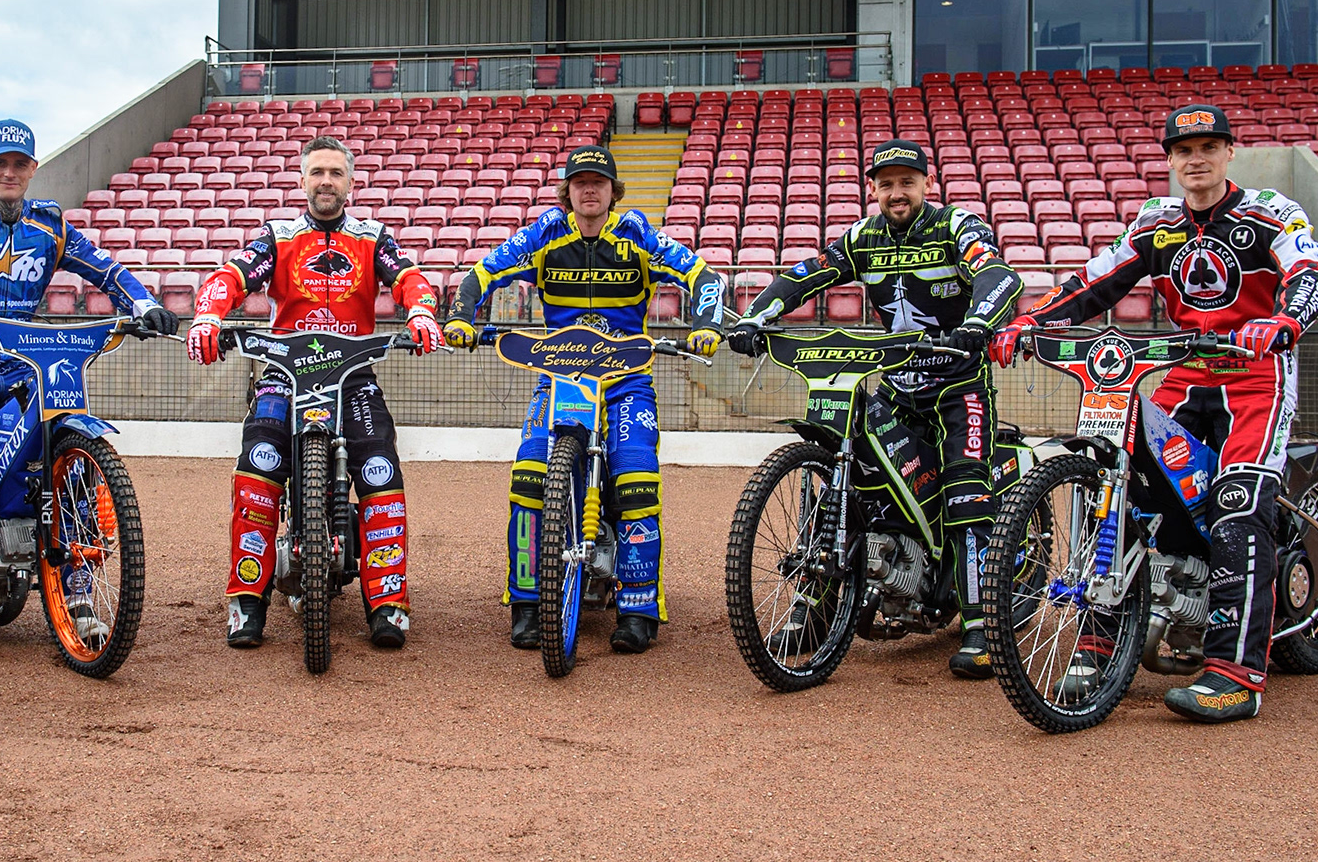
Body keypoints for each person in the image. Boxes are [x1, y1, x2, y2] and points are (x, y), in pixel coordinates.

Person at [991, 104, 1318, 722]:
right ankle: (1098, 643)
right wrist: (1029, 321)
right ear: (1170, 159)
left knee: (1238, 505)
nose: (1196, 159)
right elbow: (1093, 282)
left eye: (1208, 147)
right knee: (1119, 482)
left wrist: (1284, 321)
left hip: (1257, 378)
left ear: (1229, 152)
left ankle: (1236, 676)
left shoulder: (1272, 212)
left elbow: (1310, 276)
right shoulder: (1156, 222)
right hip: (1183, 373)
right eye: (1184, 150)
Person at [0, 119, 177, 660]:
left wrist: (143, 303)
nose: (10, 172)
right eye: (0, 163)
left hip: (24, 366)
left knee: (70, 472)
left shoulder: (50, 224)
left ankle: (79, 597)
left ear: (33, 169)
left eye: (19, 164)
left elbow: (105, 269)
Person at [728, 139, 1020, 678]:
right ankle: (818, 610)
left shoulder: (956, 225)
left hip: (959, 387)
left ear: (926, 184)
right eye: (886, 184)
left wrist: (978, 323)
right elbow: (805, 273)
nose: (896, 192)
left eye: (907, 181)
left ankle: (983, 627)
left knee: (964, 493)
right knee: (846, 485)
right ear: (874, 190)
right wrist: (755, 316)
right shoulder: (862, 237)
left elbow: (999, 276)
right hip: (898, 386)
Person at [444, 144, 728, 653]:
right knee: (530, 476)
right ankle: (527, 602)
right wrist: (462, 316)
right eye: (580, 182)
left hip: (626, 379)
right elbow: (480, 274)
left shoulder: (637, 233)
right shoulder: (545, 233)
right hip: (559, 378)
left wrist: (706, 325)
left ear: (614, 191)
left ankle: (638, 608)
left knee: (637, 481)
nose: (589, 190)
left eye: (599, 182)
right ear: (567, 191)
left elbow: (704, 277)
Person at [184, 136, 441, 649]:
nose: (326, 181)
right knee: (257, 467)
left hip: (354, 374)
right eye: (317, 172)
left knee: (381, 470)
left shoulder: (373, 237)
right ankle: (246, 602)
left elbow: (409, 277)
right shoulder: (277, 237)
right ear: (302, 181)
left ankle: (387, 603)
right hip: (283, 372)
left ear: (351, 183)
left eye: (335, 173)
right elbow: (233, 275)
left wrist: (420, 310)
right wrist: (209, 314)